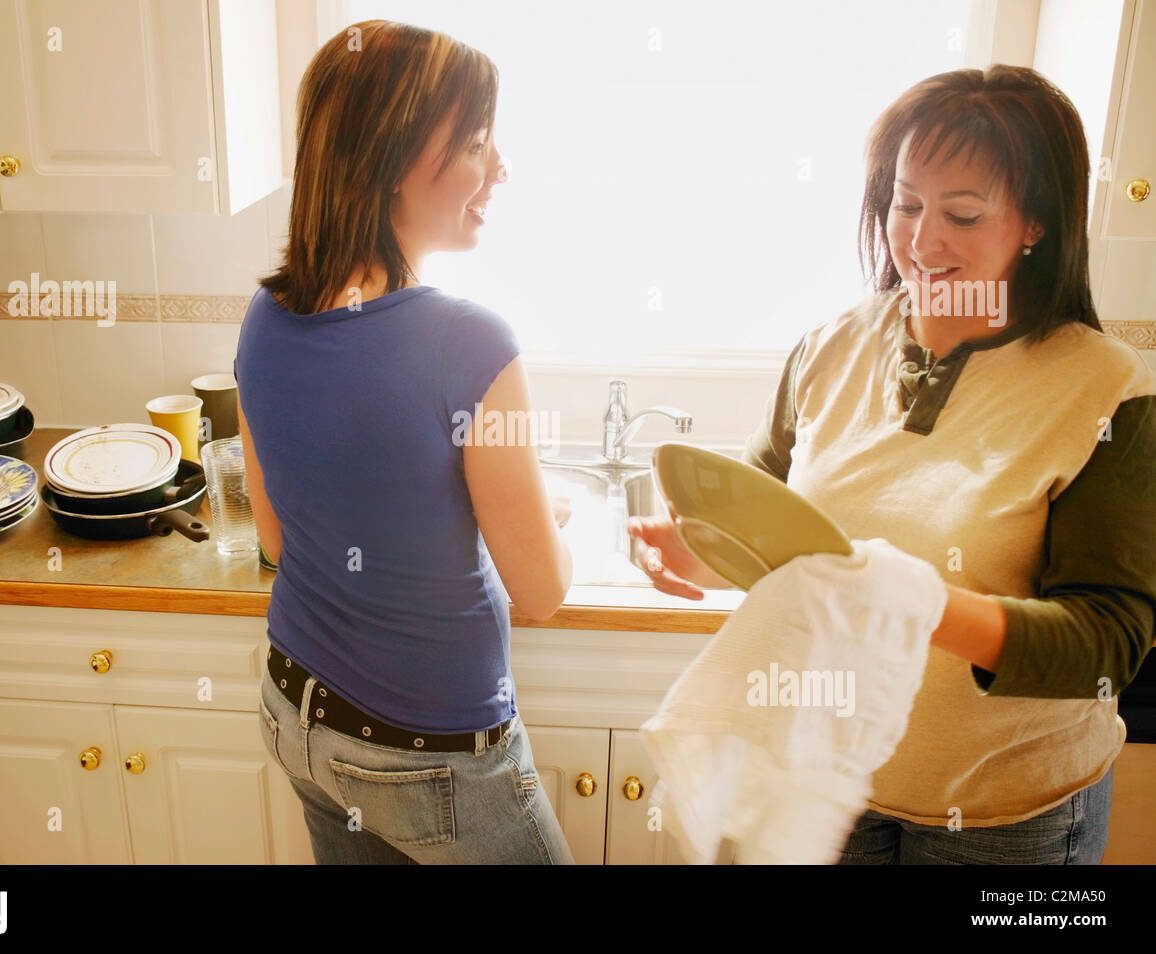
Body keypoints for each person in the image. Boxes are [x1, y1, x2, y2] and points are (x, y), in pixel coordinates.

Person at [630, 65, 1156, 865]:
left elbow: (1107, 643)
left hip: (1005, 816)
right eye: (906, 204)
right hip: (831, 780)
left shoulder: (1111, 390)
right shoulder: (831, 347)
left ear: (1037, 223)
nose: (921, 240)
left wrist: (914, 602)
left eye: (963, 213)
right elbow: (778, 535)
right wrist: (696, 552)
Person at [234, 20, 574, 864]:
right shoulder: (473, 344)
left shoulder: (264, 317)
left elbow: (277, 535)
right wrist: (540, 517)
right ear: (390, 160)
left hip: (297, 715)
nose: (499, 168)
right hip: (432, 758)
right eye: (476, 143)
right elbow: (543, 590)